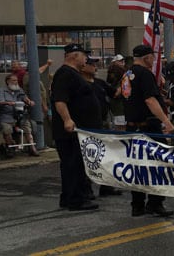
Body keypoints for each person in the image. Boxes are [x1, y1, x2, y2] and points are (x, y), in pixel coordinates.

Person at [123, 44, 174, 217]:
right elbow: (150, 100)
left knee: (138, 166)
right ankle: (155, 202)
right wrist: (166, 121)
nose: (154, 59)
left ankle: (137, 205)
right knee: (157, 165)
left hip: (132, 126)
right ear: (146, 57)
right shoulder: (145, 74)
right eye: (152, 56)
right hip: (148, 127)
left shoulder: (128, 74)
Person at [50, 43, 101, 211]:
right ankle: (75, 199)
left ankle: (70, 197)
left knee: (74, 164)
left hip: (80, 130)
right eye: (83, 55)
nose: (85, 58)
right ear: (73, 56)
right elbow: (60, 100)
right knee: (73, 164)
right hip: (70, 131)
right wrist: (67, 119)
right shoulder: (65, 73)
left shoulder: (74, 74)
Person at [81, 56, 121, 197]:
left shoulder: (99, 83)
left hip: (103, 123)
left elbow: (115, 93)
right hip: (88, 125)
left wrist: (125, 81)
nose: (95, 67)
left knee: (107, 156)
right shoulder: (79, 83)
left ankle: (107, 187)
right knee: (90, 157)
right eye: (92, 64)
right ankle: (86, 189)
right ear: (84, 66)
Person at [0, 74, 38, 158]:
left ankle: (32, 148)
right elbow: (0, 102)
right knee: (7, 129)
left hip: (20, 115)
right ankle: (10, 146)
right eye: (14, 80)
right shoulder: (2, 90)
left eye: (16, 80)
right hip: (7, 115)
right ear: (8, 81)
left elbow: (24, 98)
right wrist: (8, 103)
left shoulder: (19, 90)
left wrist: (29, 102)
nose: (16, 82)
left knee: (27, 127)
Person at [106, 54, 127, 130]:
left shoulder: (124, 75)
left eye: (123, 61)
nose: (122, 62)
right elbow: (115, 94)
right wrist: (124, 83)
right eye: (120, 61)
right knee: (121, 129)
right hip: (119, 107)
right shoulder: (114, 72)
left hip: (122, 107)